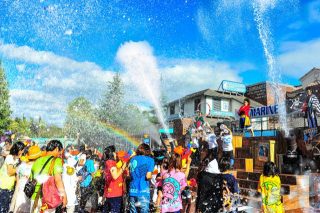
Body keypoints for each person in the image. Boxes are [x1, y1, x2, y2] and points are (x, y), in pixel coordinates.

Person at [29, 140, 67, 213]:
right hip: (47, 199)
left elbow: (31, 178)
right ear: (56, 149)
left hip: (34, 198)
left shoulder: (37, 161)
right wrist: (63, 195)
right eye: (60, 152)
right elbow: (58, 180)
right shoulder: (56, 160)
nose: (60, 154)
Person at [9, 145, 43, 213]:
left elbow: (17, 182)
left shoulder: (21, 166)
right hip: (30, 196)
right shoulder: (36, 168)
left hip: (19, 195)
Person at [196, 141, 223, 213]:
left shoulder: (208, 159)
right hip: (214, 178)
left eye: (202, 150)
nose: (201, 152)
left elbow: (201, 194)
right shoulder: (212, 159)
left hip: (208, 178)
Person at [128, 144, 155, 213]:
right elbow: (148, 176)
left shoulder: (132, 159)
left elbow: (130, 175)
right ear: (148, 151)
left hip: (132, 192)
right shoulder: (150, 160)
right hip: (143, 192)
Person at [0, 141, 25, 213]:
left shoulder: (16, 159)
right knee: (3, 208)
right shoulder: (10, 157)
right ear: (19, 149)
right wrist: (20, 167)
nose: (23, 152)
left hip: (10, 186)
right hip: (4, 186)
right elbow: (10, 172)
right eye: (22, 150)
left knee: (7, 207)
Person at [103, 149, 126, 213]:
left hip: (110, 193)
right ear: (111, 154)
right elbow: (115, 176)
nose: (116, 154)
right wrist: (122, 168)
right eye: (114, 152)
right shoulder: (111, 163)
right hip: (115, 193)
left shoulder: (108, 163)